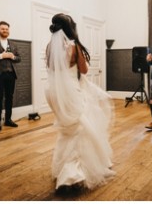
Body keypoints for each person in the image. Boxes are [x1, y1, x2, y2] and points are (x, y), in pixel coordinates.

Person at [45, 13, 114, 192]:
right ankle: (74, 173)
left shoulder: (49, 47)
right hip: (72, 92)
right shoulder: (73, 46)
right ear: (70, 28)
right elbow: (83, 70)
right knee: (80, 129)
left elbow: (52, 69)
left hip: (53, 92)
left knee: (67, 129)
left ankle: (64, 168)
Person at [0, 21, 21, 131]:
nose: (5, 31)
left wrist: (13, 57)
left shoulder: (13, 44)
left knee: (10, 97)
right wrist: (1, 56)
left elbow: (19, 58)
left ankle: (8, 119)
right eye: (3, 29)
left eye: (7, 29)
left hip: (11, 74)